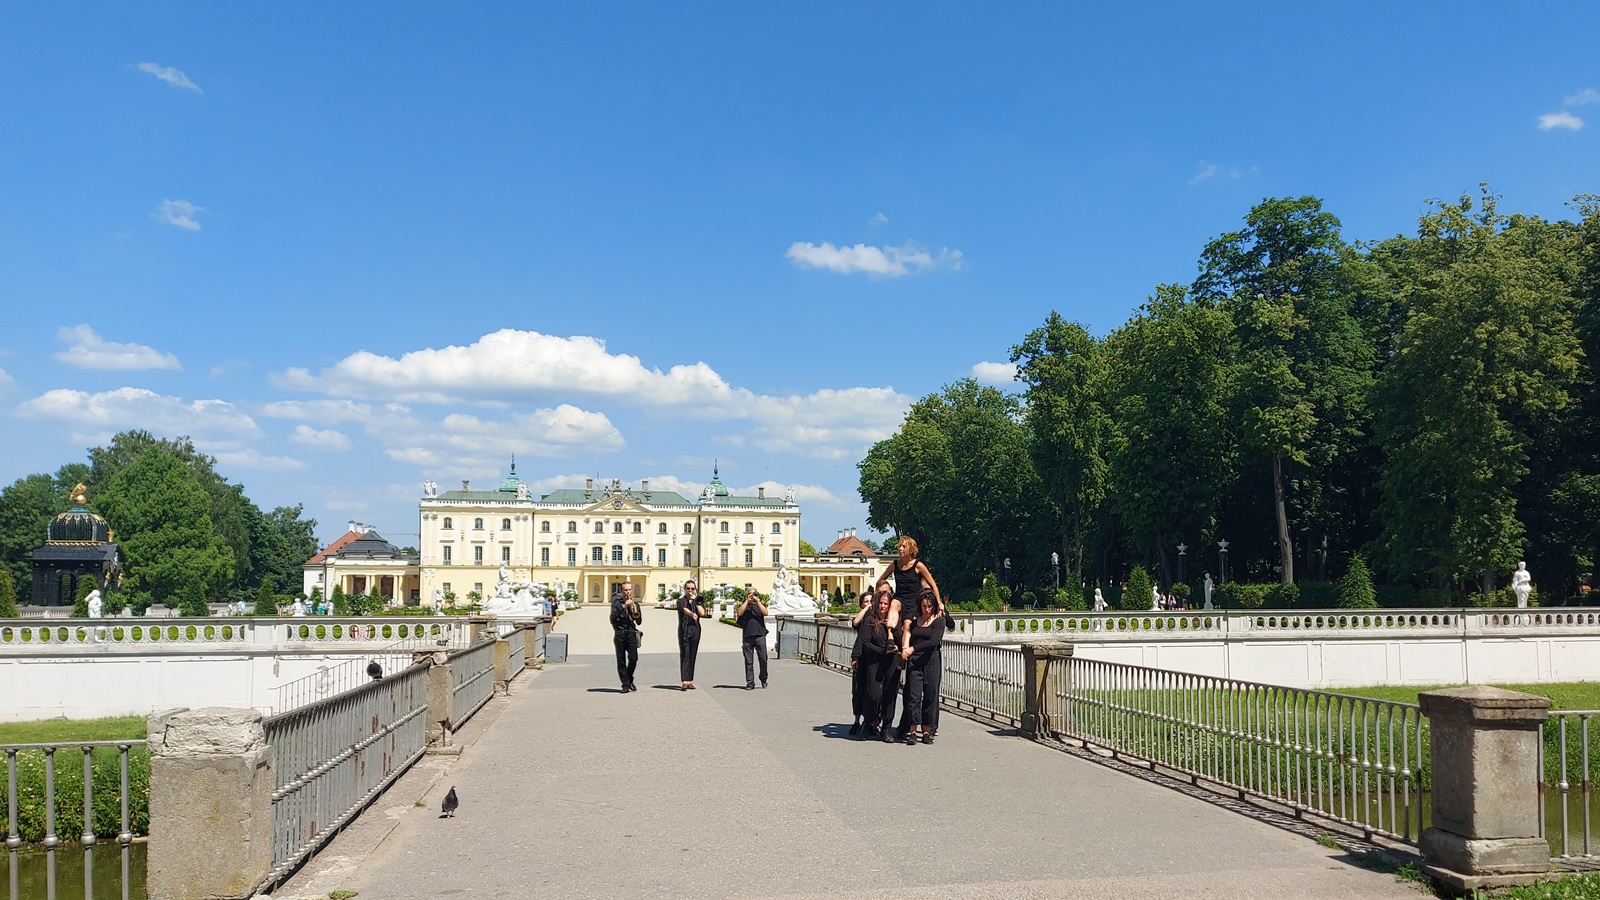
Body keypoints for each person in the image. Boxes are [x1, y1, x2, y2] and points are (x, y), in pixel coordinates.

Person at [900, 588, 951, 745]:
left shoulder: (939, 621)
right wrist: (905, 648)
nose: (927, 609)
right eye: (924, 606)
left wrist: (912, 649)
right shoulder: (915, 621)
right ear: (920, 606)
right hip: (915, 662)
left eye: (929, 606)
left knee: (930, 695)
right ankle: (913, 730)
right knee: (913, 697)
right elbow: (907, 632)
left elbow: (934, 641)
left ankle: (927, 731)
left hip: (931, 660)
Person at [875, 536, 942, 632]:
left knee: (907, 625)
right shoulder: (895, 565)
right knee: (893, 608)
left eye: (903, 547)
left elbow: (933, 585)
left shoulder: (918, 565)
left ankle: (905, 646)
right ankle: (890, 639)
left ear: (911, 549)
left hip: (913, 602)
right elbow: (880, 580)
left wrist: (938, 602)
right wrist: (880, 593)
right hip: (900, 599)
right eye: (899, 546)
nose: (900, 549)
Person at [859, 587, 899, 741]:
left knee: (890, 695)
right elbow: (865, 642)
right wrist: (883, 651)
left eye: (886, 604)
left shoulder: (894, 621)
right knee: (873, 694)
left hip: (891, 662)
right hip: (874, 661)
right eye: (881, 603)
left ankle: (887, 728)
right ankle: (868, 722)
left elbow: (901, 638)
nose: (883, 606)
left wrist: (895, 647)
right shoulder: (870, 620)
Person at [847, 590, 873, 735]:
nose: (869, 604)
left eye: (871, 601)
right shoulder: (862, 616)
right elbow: (855, 622)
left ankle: (870, 722)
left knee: (871, 691)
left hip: (873, 656)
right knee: (857, 690)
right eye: (865, 601)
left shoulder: (876, 616)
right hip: (860, 655)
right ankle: (856, 721)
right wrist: (866, 609)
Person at [609, 583, 642, 692]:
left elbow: (639, 621)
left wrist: (634, 610)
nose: (627, 592)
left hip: (631, 633)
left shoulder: (635, 603)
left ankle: (629, 679)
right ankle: (625, 684)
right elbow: (612, 619)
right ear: (622, 591)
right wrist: (624, 607)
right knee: (621, 660)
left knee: (633, 658)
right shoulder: (616, 603)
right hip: (620, 633)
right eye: (625, 590)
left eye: (629, 590)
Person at [735, 589, 769, 690]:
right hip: (747, 636)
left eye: (754, 593)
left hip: (760, 635)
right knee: (748, 661)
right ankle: (750, 682)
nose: (752, 595)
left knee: (763, 659)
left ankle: (763, 678)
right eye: (750, 593)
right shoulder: (745, 606)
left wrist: (757, 601)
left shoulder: (759, 605)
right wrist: (747, 601)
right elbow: (739, 613)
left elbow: (766, 613)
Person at [677, 580, 708, 691]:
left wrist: (696, 602)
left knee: (692, 654)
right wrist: (691, 613)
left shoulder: (697, 600)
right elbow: (684, 610)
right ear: (685, 589)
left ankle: (689, 679)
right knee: (685, 654)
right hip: (684, 629)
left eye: (692, 589)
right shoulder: (681, 601)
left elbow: (702, 613)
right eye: (688, 588)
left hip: (695, 629)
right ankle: (684, 680)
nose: (690, 591)